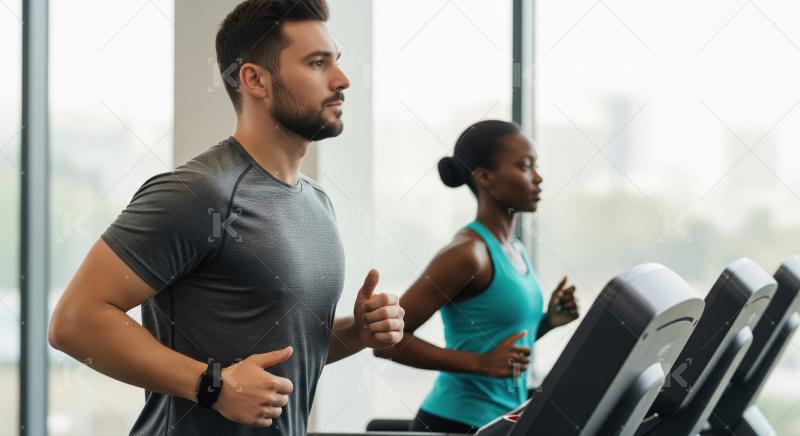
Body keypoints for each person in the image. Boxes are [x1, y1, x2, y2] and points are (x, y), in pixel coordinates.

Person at [47, 1, 405, 435]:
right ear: (254, 79)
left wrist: (358, 334)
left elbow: (286, 352)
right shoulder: (200, 192)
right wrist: (211, 385)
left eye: (337, 63)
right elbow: (74, 321)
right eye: (316, 63)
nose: (342, 80)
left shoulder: (317, 204)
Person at [374, 120, 580, 433]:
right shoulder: (467, 254)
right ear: (484, 177)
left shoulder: (514, 249)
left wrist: (548, 321)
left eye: (536, 166)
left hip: (503, 422)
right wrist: (480, 364)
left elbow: (498, 344)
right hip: (455, 423)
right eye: (525, 167)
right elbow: (386, 343)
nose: (538, 178)